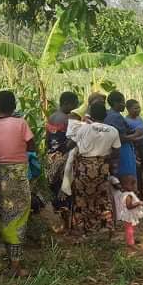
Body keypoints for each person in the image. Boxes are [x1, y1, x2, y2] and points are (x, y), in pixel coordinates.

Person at [0, 91, 35, 277]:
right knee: (18, 217)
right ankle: (15, 266)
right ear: (14, 105)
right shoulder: (21, 123)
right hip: (17, 175)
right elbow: (31, 146)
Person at [70, 102, 120, 235]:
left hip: (84, 168)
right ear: (105, 115)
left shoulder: (83, 129)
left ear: (91, 115)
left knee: (81, 198)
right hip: (102, 168)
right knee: (102, 198)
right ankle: (105, 228)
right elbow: (116, 153)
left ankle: (82, 230)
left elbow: (71, 145)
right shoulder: (113, 131)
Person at [46, 91, 80, 229]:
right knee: (66, 189)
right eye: (74, 104)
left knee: (55, 189)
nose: (75, 108)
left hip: (51, 157)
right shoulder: (67, 120)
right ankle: (68, 224)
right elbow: (68, 143)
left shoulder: (52, 117)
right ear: (67, 103)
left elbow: (48, 139)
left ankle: (61, 221)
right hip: (64, 158)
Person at [105, 91, 143, 185]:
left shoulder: (109, 114)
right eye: (122, 102)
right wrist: (136, 134)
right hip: (123, 151)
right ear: (115, 103)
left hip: (115, 150)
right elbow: (121, 138)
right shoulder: (116, 117)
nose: (124, 105)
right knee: (127, 179)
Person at [125, 99, 143, 205]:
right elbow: (131, 139)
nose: (138, 110)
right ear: (128, 109)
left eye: (139, 107)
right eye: (135, 108)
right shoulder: (127, 122)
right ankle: (140, 197)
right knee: (139, 173)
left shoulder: (139, 118)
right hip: (136, 150)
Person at [112, 176, 143, 251]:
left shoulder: (126, 193)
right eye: (132, 185)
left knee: (130, 229)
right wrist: (138, 203)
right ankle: (130, 244)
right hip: (128, 216)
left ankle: (131, 240)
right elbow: (129, 206)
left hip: (128, 215)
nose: (134, 186)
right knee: (129, 230)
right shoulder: (128, 195)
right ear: (126, 186)